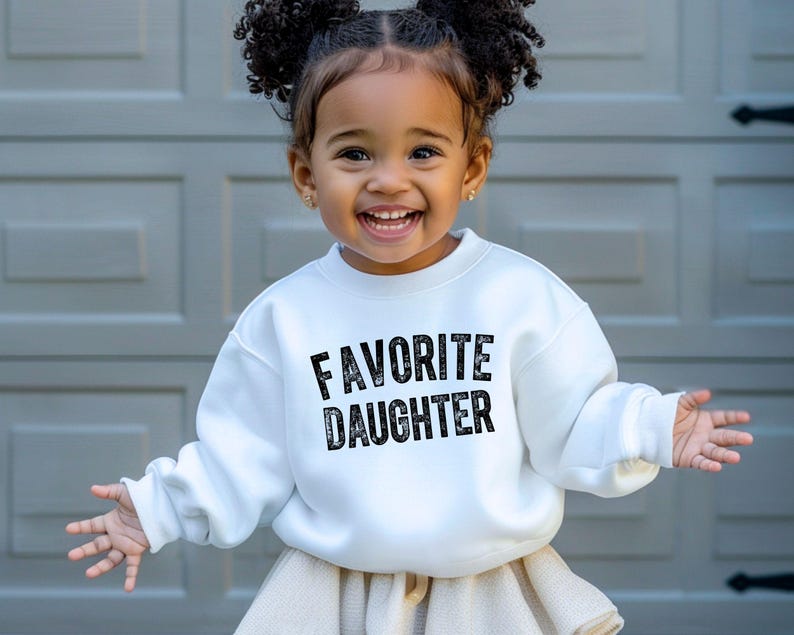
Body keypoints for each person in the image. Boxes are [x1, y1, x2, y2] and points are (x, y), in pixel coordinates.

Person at [66, 1, 753, 633]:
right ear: (306, 175)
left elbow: (573, 421)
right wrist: (151, 509)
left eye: (422, 151)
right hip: (334, 596)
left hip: (489, 593)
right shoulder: (284, 321)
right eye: (354, 152)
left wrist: (652, 425)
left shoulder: (518, 298)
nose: (389, 178)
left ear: (473, 166)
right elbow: (239, 458)